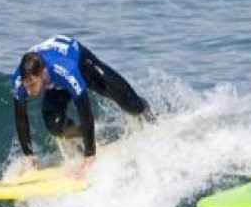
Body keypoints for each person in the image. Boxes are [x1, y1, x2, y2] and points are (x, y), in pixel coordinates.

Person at [11, 35, 155, 178]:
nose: (29, 91)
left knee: (132, 105)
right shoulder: (20, 80)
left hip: (80, 61)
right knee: (55, 126)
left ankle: (150, 117)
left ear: (44, 73)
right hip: (54, 82)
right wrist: (28, 159)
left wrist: (89, 158)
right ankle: (90, 138)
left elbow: (85, 111)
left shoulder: (66, 70)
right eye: (26, 86)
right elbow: (21, 120)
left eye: (32, 85)